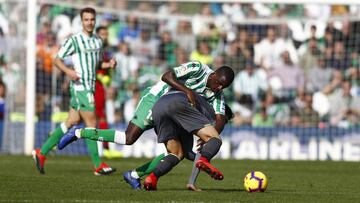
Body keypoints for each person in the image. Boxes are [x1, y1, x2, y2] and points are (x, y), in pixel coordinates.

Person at [59, 61, 234, 183]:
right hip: (155, 99)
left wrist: (206, 138)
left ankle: (135, 175)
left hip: (172, 112)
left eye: (223, 87)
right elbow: (167, 76)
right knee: (128, 138)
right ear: (214, 74)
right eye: (218, 83)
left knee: (178, 153)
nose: (219, 88)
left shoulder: (217, 94)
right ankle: (78, 133)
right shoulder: (198, 68)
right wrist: (187, 90)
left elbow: (220, 118)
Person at [32, 7, 117, 175]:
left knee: (71, 121)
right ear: (81, 21)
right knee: (92, 123)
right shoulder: (75, 40)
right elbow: (57, 59)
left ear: (95, 20)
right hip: (81, 86)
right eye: (86, 20)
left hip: (89, 86)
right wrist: (68, 71)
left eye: (92, 19)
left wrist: (107, 65)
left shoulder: (97, 41)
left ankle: (41, 153)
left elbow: (95, 63)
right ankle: (97, 165)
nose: (89, 22)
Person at [143, 91, 228, 190]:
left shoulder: (198, 101)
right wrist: (205, 157)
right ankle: (202, 163)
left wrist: (203, 162)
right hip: (179, 104)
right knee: (215, 139)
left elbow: (188, 154)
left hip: (159, 106)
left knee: (176, 154)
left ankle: (152, 178)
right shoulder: (213, 115)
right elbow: (218, 125)